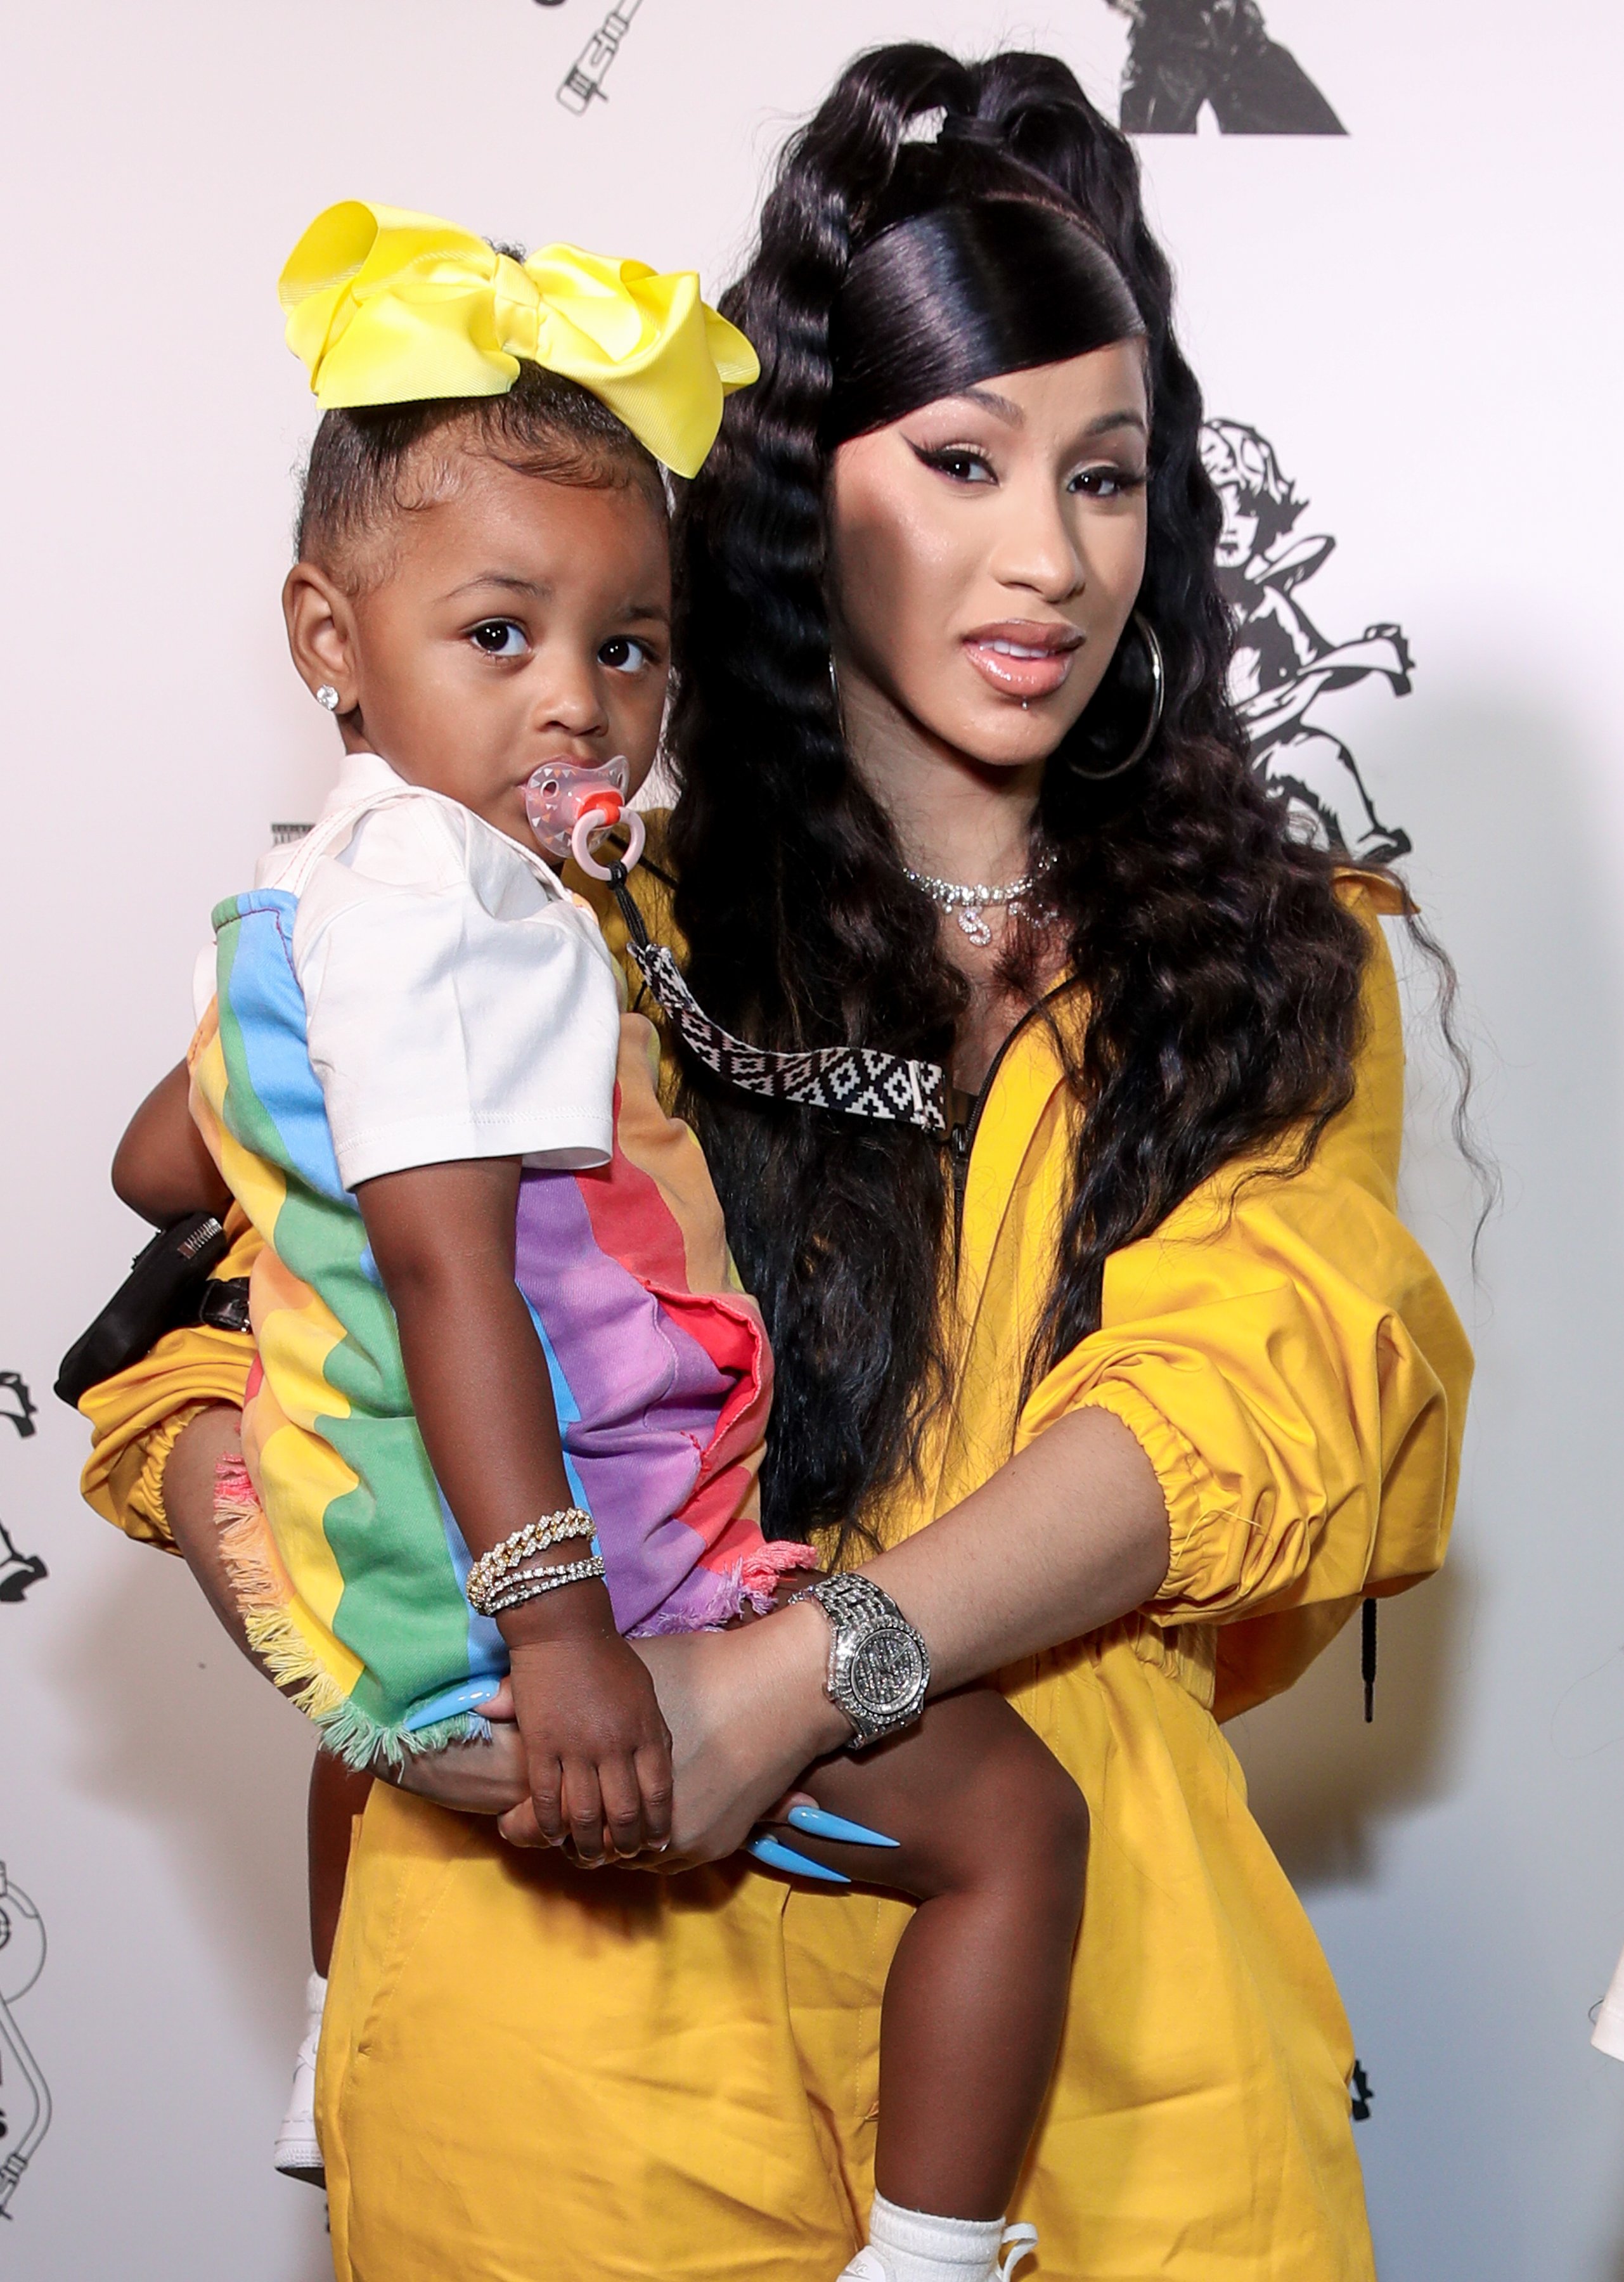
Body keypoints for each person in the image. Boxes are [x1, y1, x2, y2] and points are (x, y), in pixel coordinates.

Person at [79, 43, 1472, 2282]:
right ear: (796, 489)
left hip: (1099, 2060)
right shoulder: (529, 905)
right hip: (577, 2022)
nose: (1047, 555)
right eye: (959, 460)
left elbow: (1273, 1389)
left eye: (1104, 479)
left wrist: (800, 1676)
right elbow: (208, 1351)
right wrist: (348, 1654)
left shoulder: (1274, 971)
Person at [102, 196, 1107, 2282]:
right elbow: (457, 1273)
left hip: (381, 1592)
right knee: (1009, 1828)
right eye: (502, 639)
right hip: (575, 1599)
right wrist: (561, 1630)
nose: (576, 706)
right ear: (328, 642)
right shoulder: (474, 920)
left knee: (358, 1744)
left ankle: (315, 2051)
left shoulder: (312, 901)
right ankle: (931, 2256)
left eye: (624, 648)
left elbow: (158, 1171)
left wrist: (269, 1153)